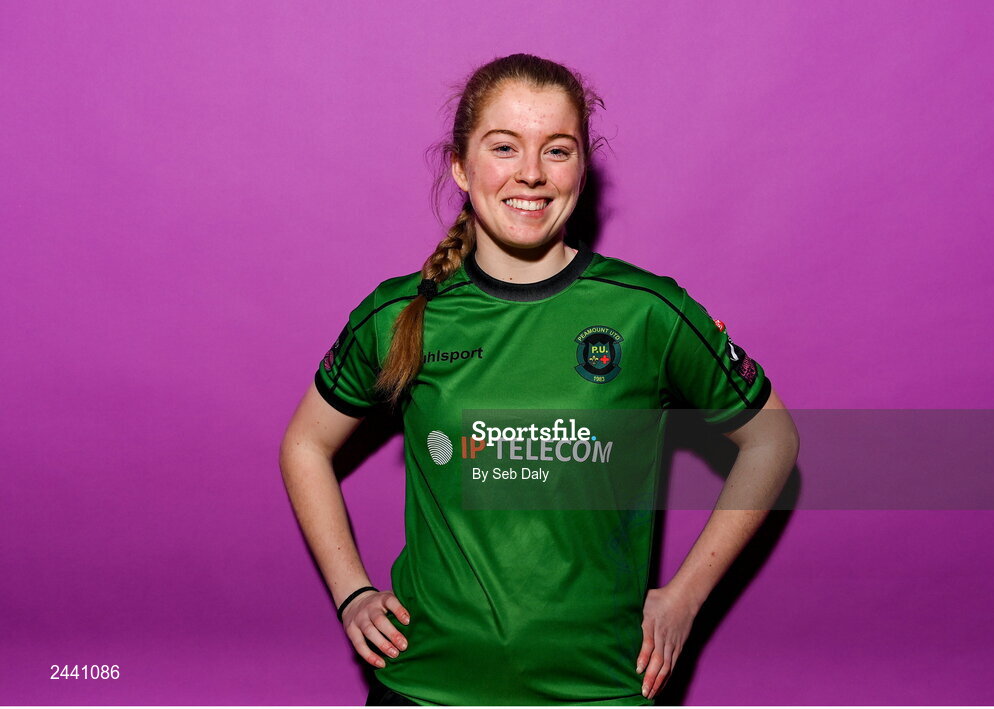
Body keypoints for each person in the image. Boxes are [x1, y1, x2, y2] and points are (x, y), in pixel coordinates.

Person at [279, 53, 799, 706]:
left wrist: (685, 596)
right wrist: (352, 591)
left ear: (582, 168)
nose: (531, 173)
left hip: (601, 689)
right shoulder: (397, 313)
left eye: (557, 150)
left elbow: (772, 438)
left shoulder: (646, 312)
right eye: (505, 147)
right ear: (462, 166)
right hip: (425, 685)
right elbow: (304, 444)